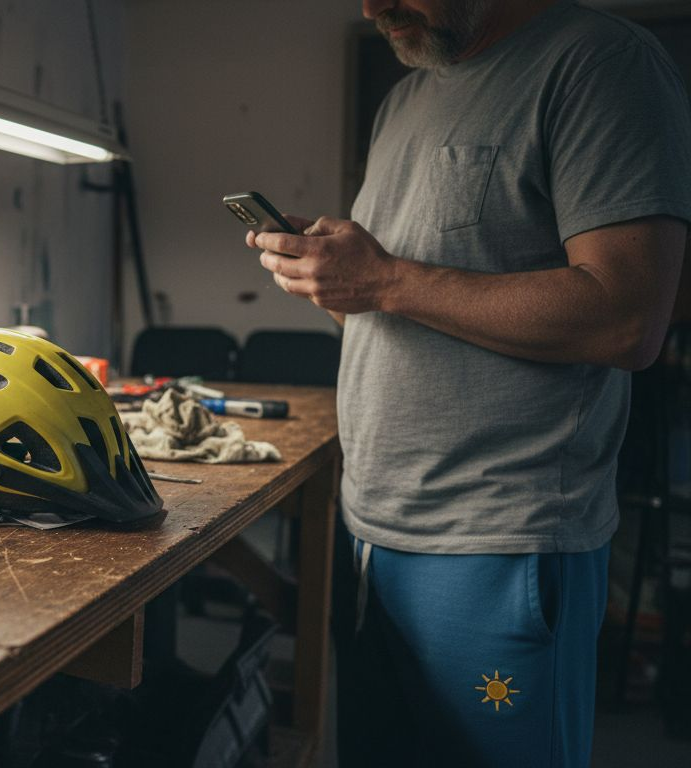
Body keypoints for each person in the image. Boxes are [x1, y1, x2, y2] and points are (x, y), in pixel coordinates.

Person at [247, 1, 691, 765]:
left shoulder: (600, 62)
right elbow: (414, 307)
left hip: (498, 541)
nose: (372, 6)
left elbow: (627, 318)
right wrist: (340, 287)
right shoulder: (405, 98)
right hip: (374, 535)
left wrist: (383, 280)